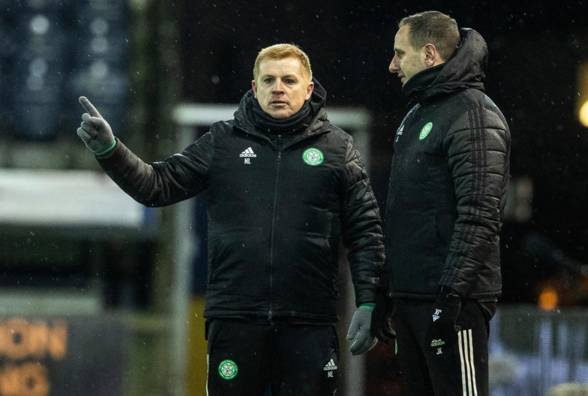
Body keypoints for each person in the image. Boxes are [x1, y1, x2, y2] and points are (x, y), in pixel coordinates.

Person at [75, 43, 384, 396]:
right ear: (254, 88)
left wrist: (370, 300)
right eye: (268, 80)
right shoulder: (223, 142)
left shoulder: (338, 149)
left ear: (309, 89)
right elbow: (155, 186)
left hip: (309, 322)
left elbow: (365, 230)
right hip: (235, 320)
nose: (278, 88)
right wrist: (110, 151)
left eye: (288, 80)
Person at [372, 11, 511, 396]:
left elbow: (480, 216)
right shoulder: (417, 115)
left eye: (400, 54)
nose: (392, 65)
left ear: (430, 54)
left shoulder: (474, 114)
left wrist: (449, 299)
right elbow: (402, 215)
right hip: (413, 297)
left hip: (454, 304)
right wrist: (388, 290)